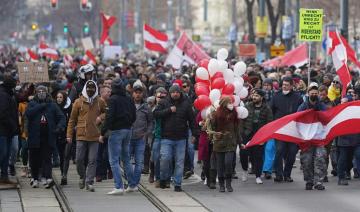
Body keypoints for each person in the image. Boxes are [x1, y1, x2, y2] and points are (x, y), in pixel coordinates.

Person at [153, 84, 197, 192]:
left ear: (180, 92)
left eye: (177, 92)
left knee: (179, 161)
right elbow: (155, 114)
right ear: (170, 93)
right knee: (165, 159)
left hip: (181, 138)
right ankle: (164, 178)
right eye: (173, 92)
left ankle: (177, 183)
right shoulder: (164, 102)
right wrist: (168, 110)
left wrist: (195, 134)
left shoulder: (186, 104)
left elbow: (192, 120)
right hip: (166, 137)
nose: (175, 94)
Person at [67, 80, 106, 192]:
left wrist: (101, 117)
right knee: (79, 159)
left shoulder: (100, 101)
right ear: (85, 88)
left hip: (94, 135)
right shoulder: (78, 102)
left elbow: (107, 112)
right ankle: (82, 176)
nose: (90, 90)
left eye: (92, 88)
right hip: (81, 135)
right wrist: (69, 134)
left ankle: (89, 182)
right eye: (88, 88)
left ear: (96, 89)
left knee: (92, 160)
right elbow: (72, 120)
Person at [100, 79, 136, 195]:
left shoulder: (112, 100)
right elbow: (134, 115)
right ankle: (132, 185)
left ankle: (119, 186)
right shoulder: (129, 98)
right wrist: (128, 124)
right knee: (126, 158)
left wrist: (102, 132)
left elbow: (109, 117)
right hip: (128, 130)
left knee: (114, 160)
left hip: (116, 131)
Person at [25, 85, 66, 188]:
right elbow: (28, 114)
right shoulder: (32, 104)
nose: (41, 93)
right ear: (36, 93)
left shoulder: (52, 105)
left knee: (47, 158)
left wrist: (59, 127)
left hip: (48, 136)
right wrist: (41, 106)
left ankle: (47, 177)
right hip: (34, 136)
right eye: (39, 91)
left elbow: (61, 117)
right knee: (34, 159)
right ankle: (34, 178)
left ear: (47, 93)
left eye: (43, 91)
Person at [271, 77, 303, 182]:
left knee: (292, 152)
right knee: (279, 151)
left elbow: (301, 112)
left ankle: (287, 174)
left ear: (291, 86)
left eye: (287, 85)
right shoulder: (276, 96)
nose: (284, 86)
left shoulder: (297, 97)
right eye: (283, 84)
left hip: (293, 129)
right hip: (280, 129)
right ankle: (278, 174)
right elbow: (272, 110)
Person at [297, 83, 327, 190]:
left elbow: (326, 117)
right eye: (312, 93)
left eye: (315, 93)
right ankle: (309, 181)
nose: (314, 94)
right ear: (308, 93)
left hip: (319, 137)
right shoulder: (303, 106)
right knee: (307, 160)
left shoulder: (322, 105)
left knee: (320, 159)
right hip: (307, 138)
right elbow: (298, 118)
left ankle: (318, 181)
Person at [207, 97, 240, 192]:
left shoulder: (234, 114)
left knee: (228, 162)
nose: (231, 104)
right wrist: (209, 120)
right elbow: (210, 129)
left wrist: (240, 142)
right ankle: (221, 184)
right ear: (224, 104)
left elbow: (237, 129)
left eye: (232, 102)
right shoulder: (215, 115)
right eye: (229, 102)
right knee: (220, 165)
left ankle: (228, 183)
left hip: (231, 142)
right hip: (219, 143)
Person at [241, 89, 273, 184]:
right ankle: (244, 170)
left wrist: (265, 138)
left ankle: (258, 176)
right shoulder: (247, 106)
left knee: (258, 156)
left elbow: (269, 124)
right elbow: (242, 120)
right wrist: (242, 133)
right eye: (253, 95)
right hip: (247, 133)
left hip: (259, 135)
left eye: (257, 96)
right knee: (243, 153)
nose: (254, 97)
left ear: (261, 98)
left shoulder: (267, 109)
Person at [127, 84, 153, 191]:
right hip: (128, 138)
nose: (137, 95)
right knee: (127, 162)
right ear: (132, 94)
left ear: (142, 94)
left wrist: (147, 133)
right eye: (136, 92)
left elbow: (151, 122)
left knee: (139, 163)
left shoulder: (146, 107)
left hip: (140, 139)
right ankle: (130, 182)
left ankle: (134, 184)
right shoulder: (128, 105)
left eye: (139, 93)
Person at [0, 73, 18, 186]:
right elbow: (3, 114)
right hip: (2, 130)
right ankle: (3, 175)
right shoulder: (3, 95)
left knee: (6, 155)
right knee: (3, 153)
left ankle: (4, 176)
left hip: (7, 131)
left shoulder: (7, 94)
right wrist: (13, 125)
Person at [150, 87, 168, 187]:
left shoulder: (168, 106)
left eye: (163, 96)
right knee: (155, 157)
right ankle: (156, 176)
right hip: (156, 135)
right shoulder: (153, 107)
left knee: (166, 159)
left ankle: (165, 178)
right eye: (158, 96)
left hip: (166, 136)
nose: (160, 98)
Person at [55, 91, 72, 185]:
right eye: (57, 97)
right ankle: (62, 173)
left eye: (61, 97)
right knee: (61, 155)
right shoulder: (54, 108)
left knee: (66, 155)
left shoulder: (69, 108)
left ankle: (64, 175)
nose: (59, 99)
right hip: (57, 135)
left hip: (67, 134)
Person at [96, 86, 112, 182]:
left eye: (110, 92)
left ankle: (108, 171)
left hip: (108, 132)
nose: (110, 93)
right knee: (99, 154)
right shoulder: (97, 102)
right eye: (108, 92)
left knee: (107, 154)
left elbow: (110, 114)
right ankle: (99, 174)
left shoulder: (111, 102)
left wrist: (101, 117)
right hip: (98, 132)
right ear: (102, 93)